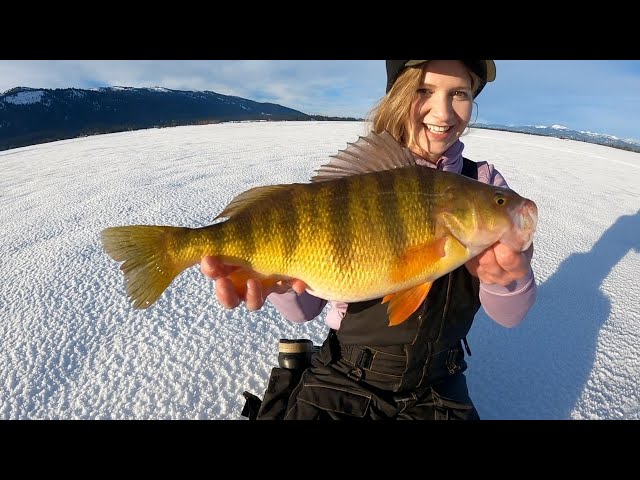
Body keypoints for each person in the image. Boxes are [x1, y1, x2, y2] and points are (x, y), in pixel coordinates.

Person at [202, 60, 537, 420]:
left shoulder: (484, 183)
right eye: (424, 90)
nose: (442, 110)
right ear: (398, 94)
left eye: (459, 93)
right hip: (348, 374)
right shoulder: (361, 178)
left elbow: (510, 316)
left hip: (439, 381)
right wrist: (277, 282)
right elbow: (305, 310)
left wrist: (509, 276)